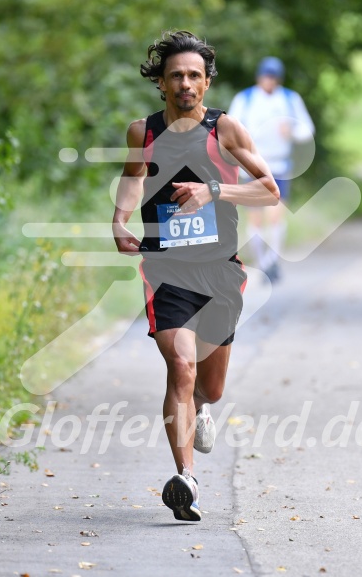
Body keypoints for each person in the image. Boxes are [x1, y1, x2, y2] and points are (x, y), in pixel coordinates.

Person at [112, 31, 279, 522]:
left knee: (211, 387)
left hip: (219, 274)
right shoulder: (141, 132)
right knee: (180, 367)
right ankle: (185, 478)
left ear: (206, 83)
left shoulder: (224, 130)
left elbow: (269, 191)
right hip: (165, 270)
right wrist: (119, 220)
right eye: (175, 76)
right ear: (161, 83)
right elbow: (134, 175)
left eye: (193, 76)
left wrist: (214, 191)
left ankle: (202, 408)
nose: (185, 83)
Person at [228, 56, 315, 282]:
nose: (270, 82)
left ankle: (272, 261)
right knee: (255, 217)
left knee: (276, 215)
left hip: (279, 164)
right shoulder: (245, 99)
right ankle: (262, 262)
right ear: (259, 77)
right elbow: (229, 129)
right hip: (253, 166)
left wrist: (292, 132)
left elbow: (307, 129)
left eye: (274, 78)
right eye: (267, 77)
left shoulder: (289, 98)